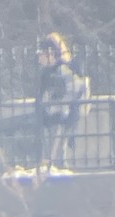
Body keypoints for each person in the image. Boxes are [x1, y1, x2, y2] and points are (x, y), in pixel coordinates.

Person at [35, 32, 84, 173]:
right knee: (52, 157)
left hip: (60, 118)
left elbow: (74, 89)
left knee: (57, 157)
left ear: (51, 54)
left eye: (41, 54)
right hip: (52, 118)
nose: (39, 58)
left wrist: (58, 105)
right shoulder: (49, 71)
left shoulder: (61, 70)